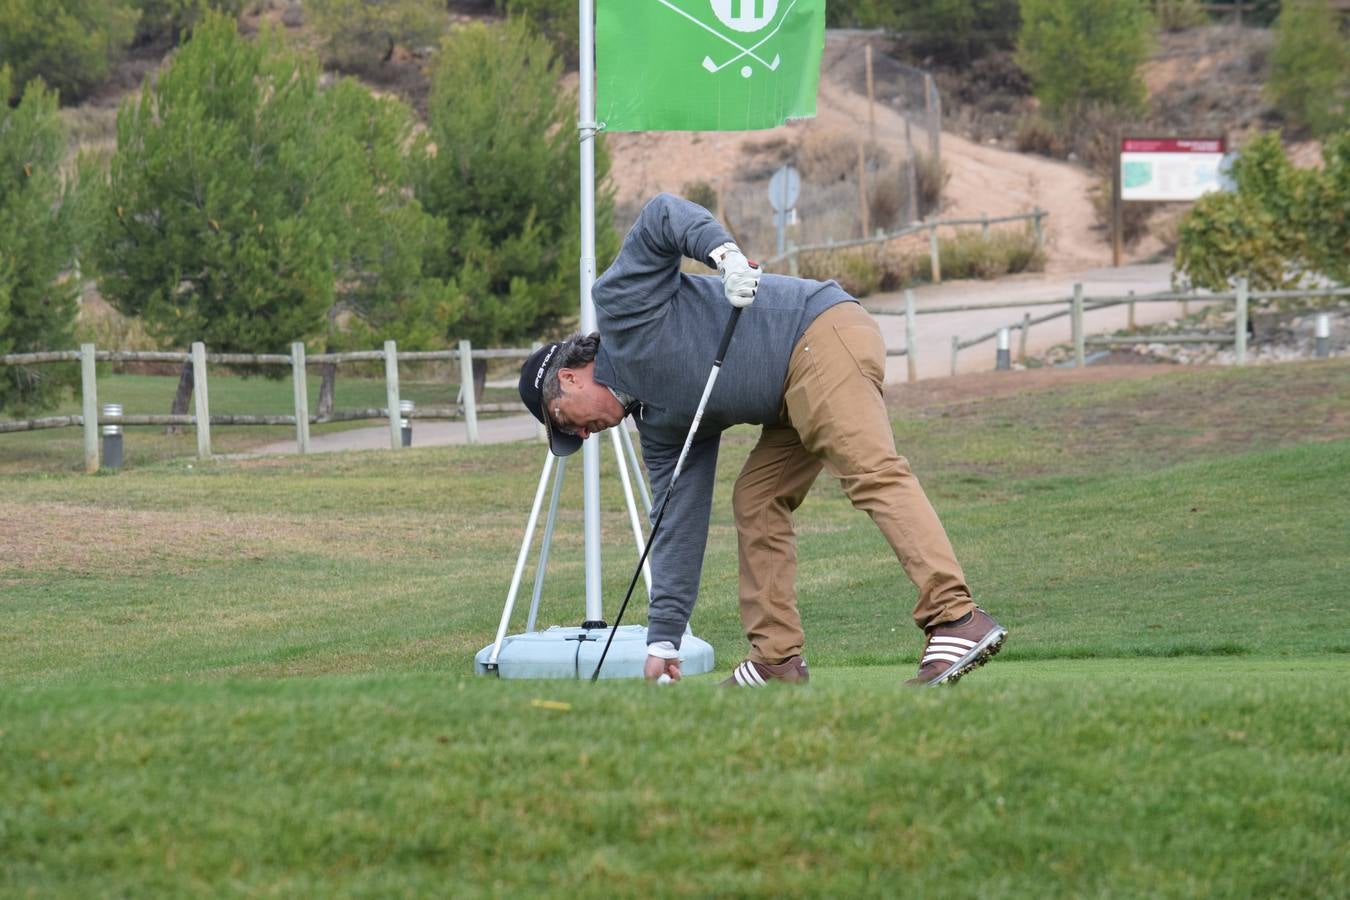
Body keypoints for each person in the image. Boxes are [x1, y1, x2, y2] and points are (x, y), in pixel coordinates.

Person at [517, 194, 1005, 687]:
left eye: (566, 420)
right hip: (791, 393)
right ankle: (776, 659)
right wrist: (664, 640)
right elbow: (674, 524)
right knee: (757, 498)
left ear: (572, 378)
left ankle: (955, 617)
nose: (582, 434)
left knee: (870, 470)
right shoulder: (660, 424)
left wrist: (723, 256)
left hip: (821, 331)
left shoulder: (620, 309)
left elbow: (662, 215)